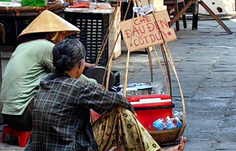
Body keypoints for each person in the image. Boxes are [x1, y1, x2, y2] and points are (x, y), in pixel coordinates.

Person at [28, 39, 187, 151]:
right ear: (79, 65)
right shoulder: (79, 86)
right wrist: (132, 110)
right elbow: (117, 101)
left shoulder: (45, 81)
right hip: (69, 147)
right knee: (121, 114)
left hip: (37, 147)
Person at [0, 10, 80, 131]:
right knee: (65, 87)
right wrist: (94, 84)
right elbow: (69, 73)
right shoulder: (46, 47)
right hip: (23, 116)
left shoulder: (23, 46)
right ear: (52, 35)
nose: (63, 40)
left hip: (8, 115)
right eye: (62, 36)